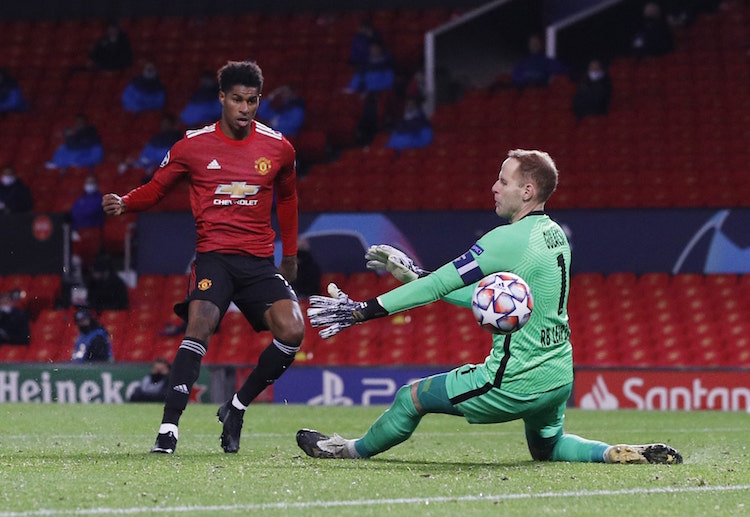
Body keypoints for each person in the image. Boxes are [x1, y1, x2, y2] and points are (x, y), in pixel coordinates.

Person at [297, 149, 683, 466]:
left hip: (512, 380)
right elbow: (482, 298)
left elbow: (441, 284)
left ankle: (343, 450)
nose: (494, 187)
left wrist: (363, 310)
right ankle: (611, 453)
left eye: (503, 180)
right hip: (558, 375)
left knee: (410, 397)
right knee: (548, 447)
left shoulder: (506, 240)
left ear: (528, 191)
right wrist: (415, 274)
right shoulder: (553, 235)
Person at [102, 60, 304, 455]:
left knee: (293, 331)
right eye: (237, 100)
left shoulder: (279, 147)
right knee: (200, 327)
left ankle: (237, 405)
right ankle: (168, 429)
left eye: (252, 101)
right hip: (214, 258)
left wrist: (291, 254)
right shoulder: (192, 146)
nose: (245, 109)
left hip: (259, 262)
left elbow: (289, 198)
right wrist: (125, 203)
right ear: (222, 99)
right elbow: (156, 188)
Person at [119, 114, 183, 178]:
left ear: (173, 125)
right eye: (163, 123)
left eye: (167, 123)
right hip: (149, 165)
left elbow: (169, 157)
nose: (164, 126)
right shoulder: (156, 138)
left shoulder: (179, 138)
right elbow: (146, 155)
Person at [70, 175, 105, 270]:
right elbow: (73, 212)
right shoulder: (79, 200)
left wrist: (82, 215)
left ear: (96, 184)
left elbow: (92, 212)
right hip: (78, 230)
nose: (89, 185)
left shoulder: (101, 199)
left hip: (93, 232)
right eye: (87, 182)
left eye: (91, 182)